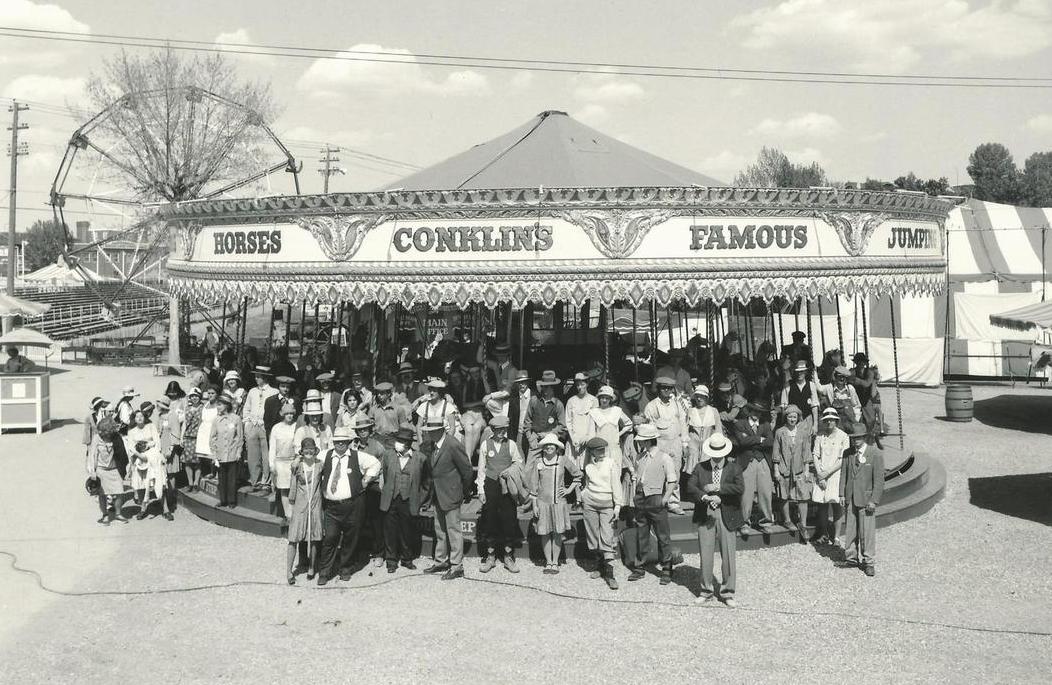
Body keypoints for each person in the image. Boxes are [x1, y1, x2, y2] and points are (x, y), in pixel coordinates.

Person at [686, 433, 744, 608]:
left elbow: (740, 488)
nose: (718, 456)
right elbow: (690, 486)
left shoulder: (734, 468)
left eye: (720, 452)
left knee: (728, 554)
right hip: (706, 513)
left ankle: (728, 592)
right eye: (715, 452)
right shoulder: (700, 467)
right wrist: (704, 497)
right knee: (706, 553)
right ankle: (706, 591)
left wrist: (720, 492)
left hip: (726, 513)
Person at [317, 427, 381, 585]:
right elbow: (308, 459)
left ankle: (345, 568)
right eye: (337, 441)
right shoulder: (325, 455)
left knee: (350, 538)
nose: (340, 444)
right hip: (332, 507)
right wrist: (298, 459)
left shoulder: (357, 456)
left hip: (353, 505)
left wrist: (366, 480)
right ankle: (324, 572)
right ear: (333, 442)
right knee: (330, 538)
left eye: (343, 441)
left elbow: (376, 464)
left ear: (349, 442)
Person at [420, 418, 473, 581]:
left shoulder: (452, 444)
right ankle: (441, 561)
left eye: (430, 430)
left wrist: (464, 491)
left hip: (451, 494)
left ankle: (457, 565)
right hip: (438, 494)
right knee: (440, 530)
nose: (427, 433)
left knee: (453, 530)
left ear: (440, 430)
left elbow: (467, 469)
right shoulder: (431, 445)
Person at [624, 424, 677, 585]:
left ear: (649, 441)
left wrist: (665, 498)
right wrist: (636, 495)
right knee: (642, 533)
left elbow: (672, 480)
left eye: (642, 441)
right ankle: (640, 567)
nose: (639, 443)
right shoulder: (640, 457)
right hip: (641, 499)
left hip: (656, 498)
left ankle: (666, 568)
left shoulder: (664, 457)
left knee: (662, 535)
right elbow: (638, 476)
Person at [476, 415, 525, 573]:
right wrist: (481, 490)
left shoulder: (511, 444)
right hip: (491, 484)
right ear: (492, 430)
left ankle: (508, 556)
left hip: (507, 485)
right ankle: (490, 556)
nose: (502, 432)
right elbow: (482, 469)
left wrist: (509, 471)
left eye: (504, 429)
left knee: (509, 519)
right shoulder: (485, 445)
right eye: (498, 430)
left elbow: (519, 462)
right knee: (490, 519)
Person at [527, 433, 581, 574]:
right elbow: (534, 485)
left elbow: (578, 474)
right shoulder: (538, 462)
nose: (549, 447)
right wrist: (534, 505)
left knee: (557, 533)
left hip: (559, 503)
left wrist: (568, 490)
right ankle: (548, 562)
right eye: (547, 445)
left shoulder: (563, 460)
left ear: (557, 448)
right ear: (543, 448)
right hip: (542, 503)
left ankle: (555, 562)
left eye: (552, 445)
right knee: (544, 533)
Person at [838, 424, 884, 577]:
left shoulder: (875, 453)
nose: (855, 441)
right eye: (853, 438)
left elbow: (879, 480)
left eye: (858, 438)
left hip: (866, 499)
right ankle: (851, 557)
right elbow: (843, 475)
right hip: (851, 497)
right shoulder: (848, 454)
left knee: (867, 532)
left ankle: (868, 561)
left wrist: (874, 500)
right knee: (850, 529)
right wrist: (841, 494)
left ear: (864, 437)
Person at [379, 426, 426, 573]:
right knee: (390, 530)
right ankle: (391, 560)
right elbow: (385, 475)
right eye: (398, 440)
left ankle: (407, 559)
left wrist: (419, 499)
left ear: (408, 443)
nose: (398, 443)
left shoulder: (420, 458)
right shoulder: (388, 455)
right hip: (391, 498)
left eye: (402, 441)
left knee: (407, 530)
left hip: (409, 499)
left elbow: (426, 482)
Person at [579, 436, 622, 590]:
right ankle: (600, 566)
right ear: (591, 452)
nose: (602, 452)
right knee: (593, 535)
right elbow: (587, 482)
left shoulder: (611, 463)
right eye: (598, 450)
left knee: (607, 536)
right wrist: (584, 495)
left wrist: (617, 506)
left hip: (607, 504)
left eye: (603, 449)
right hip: (590, 503)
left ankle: (610, 575)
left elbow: (616, 484)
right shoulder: (588, 465)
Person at [643, 376, 688, 515]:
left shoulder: (677, 404)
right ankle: (657, 502)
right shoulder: (652, 405)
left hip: (675, 443)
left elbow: (683, 424)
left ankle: (673, 502)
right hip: (660, 443)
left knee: (675, 474)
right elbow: (649, 428)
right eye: (664, 388)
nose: (667, 391)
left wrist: (685, 443)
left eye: (669, 388)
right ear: (659, 389)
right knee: (658, 473)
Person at [350, 415, 386, 569]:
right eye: (360, 430)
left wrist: (374, 483)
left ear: (370, 430)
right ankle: (360, 553)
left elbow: (382, 469)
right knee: (358, 520)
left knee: (375, 520)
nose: (363, 432)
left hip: (373, 485)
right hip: (358, 485)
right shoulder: (354, 445)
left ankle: (379, 553)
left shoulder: (377, 446)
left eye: (365, 429)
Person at [732, 400, 775, 530]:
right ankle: (744, 522)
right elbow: (742, 441)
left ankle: (766, 521)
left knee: (765, 491)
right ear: (749, 411)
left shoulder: (766, 425)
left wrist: (751, 440)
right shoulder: (740, 424)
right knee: (746, 493)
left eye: (760, 412)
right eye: (754, 411)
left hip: (763, 461)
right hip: (746, 461)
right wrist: (758, 439)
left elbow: (770, 442)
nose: (757, 414)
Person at [286, 437, 324, 584]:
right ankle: (289, 571)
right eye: (306, 450)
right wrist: (290, 507)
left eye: (312, 450)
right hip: (300, 506)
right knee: (293, 538)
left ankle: (311, 567)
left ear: (315, 451)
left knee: (315, 537)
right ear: (302, 452)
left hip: (315, 504)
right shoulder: (297, 466)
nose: (309, 452)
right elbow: (293, 486)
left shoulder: (320, 465)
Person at [772, 404, 813, 539]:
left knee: (803, 496)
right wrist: (776, 470)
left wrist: (807, 469)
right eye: (790, 416)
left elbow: (806, 451)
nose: (792, 419)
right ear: (786, 417)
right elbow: (776, 453)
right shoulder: (780, 432)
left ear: (798, 418)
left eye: (794, 416)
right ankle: (787, 520)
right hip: (784, 468)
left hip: (799, 469)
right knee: (784, 495)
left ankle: (804, 524)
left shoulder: (803, 432)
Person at [811, 407, 849, 546]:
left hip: (835, 475)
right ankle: (824, 533)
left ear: (836, 421)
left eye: (832, 420)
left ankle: (837, 537)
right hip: (821, 473)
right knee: (822, 505)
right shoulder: (820, 436)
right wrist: (820, 474)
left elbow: (842, 459)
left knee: (837, 506)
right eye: (826, 420)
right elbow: (815, 454)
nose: (829, 423)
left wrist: (826, 473)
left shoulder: (844, 437)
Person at [86, 416, 128, 524]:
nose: (100, 432)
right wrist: (92, 471)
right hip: (101, 470)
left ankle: (118, 514)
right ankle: (105, 515)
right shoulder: (96, 438)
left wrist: (124, 469)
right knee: (102, 494)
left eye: (103, 430)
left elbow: (122, 454)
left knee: (119, 492)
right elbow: (92, 455)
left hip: (114, 469)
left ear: (109, 431)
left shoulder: (116, 438)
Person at [242, 366, 277, 492]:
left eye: (259, 376)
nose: (256, 378)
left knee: (266, 455)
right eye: (256, 376)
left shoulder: (274, 392)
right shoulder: (252, 391)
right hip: (252, 425)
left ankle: (266, 482)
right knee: (253, 455)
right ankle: (255, 481)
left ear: (265, 377)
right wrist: (247, 423)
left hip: (265, 427)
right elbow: (246, 408)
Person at [126, 410, 163, 518]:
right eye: (137, 417)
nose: (139, 418)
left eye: (141, 416)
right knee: (140, 484)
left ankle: (164, 508)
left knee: (158, 480)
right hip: (139, 457)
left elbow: (157, 441)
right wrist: (138, 456)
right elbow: (131, 447)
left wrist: (152, 449)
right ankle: (143, 508)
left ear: (145, 417)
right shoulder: (131, 431)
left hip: (152, 456)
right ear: (134, 419)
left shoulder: (151, 426)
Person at [210, 392, 243, 508]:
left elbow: (239, 437)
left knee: (232, 479)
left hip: (232, 453)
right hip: (220, 454)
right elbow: (213, 438)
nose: (217, 407)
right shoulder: (216, 420)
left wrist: (238, 451)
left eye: (219, 405)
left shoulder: (236, 419)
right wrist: (214, 454)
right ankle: (223, 500)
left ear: (226, 405)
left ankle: (232, 501)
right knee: (222, 478)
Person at [524, 370, 566, 460]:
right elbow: (527, 421)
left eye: (549, 387)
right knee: (529, 469)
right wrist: (530, 438)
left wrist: (548, 434)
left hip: (551, 441)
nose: (546, 389)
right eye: (544, 386)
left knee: (549, 467)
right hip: (535, 439)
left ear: (553, 387)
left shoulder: (558, 404)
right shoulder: (534, 400)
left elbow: (562, 426)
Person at [269, 403, 299, 519]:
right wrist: (272, 464)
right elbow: (272, 447)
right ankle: (288, 514)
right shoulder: (276, 428)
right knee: (284, 489)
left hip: (293, 462)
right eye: (287, 414)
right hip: (280, 462)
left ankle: (294, 513)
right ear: (283, 415)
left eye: (291, 414)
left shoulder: (297, 426)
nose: (290, 416)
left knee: (293, 488)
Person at [685, 385, 721, 475]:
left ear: (706, 398)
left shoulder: (713, 411)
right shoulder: (690, 411)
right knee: (693, 473)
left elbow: (718, 430)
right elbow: (685, 430)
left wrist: (717, 446)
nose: (699, 399)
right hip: (693, 448)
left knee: (706, 473)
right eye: (697, 396)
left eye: (702, 397)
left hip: (707, 447)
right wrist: (685, 445)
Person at [457, 361, 489, 459]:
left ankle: (468, 458)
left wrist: (484, 378)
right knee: (468, 428)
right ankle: (469, 459)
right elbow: (464, 404)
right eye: (473, 372)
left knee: (477, 427)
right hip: (469, 413)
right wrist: (480, 402)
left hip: (480, 414)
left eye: (477, 372)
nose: (475, 374)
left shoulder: (483, 383)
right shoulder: (467, 385)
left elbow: (488, 395)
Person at [564, 372, 597, 468]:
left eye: (582, 384)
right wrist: (573, 438)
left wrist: (587, 437)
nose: (580, 387)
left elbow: (594, 421)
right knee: (574, 467)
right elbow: (568, 421)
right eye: (577, 385)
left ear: (587, 384)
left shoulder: (593, 400)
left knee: (588, 466)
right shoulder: (571, 401)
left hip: (588, 438)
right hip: (574, 439)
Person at [155, 396, 180, 521]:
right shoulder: (160, 416)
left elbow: (176, 433)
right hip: (160, 447)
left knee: (171, 475)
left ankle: (171, 500)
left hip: (169, 448)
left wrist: (171, 448)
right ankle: (163, 503)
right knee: (161, 476)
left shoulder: (172, 415)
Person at [779, 360, 819, 436]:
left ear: (806, 372)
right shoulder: (788, 385)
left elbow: (814, 406)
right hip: (792, 422)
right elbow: (784, 406)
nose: (799, 374)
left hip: (807, 420)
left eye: (802, 371)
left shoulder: (811, 385)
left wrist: (815, 425)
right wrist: (784, 424)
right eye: (797, 372)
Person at [821, 365, 863, 429]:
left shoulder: (850, 389)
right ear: (835, 376)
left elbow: (856, 406)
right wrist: (814, 372)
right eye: (840, 376)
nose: (842, 379)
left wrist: (856, 419)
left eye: (844, 377)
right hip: (837, 424)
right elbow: (819, 389)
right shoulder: (830, 388)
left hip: (850, 423)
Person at [368, 382, 407, 449]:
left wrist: (401, 442)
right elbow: (369, 427)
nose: (379, 395)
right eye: (378, 393)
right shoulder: (373, 410)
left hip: (393, 439)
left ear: (389, 394)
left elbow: (404, 427)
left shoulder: (398, 409)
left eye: (382, 393)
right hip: (378, 439)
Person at [181, 387, 204, 492]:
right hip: (188, 437)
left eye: (196, 396)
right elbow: (184, 423)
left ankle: (196, 483)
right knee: (187, 462)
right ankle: (190, 483)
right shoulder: (187, 408)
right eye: (192, 396)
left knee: (197, 461)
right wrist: (182, 437)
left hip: (198, 437)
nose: (195, 398)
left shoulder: (203, 408)